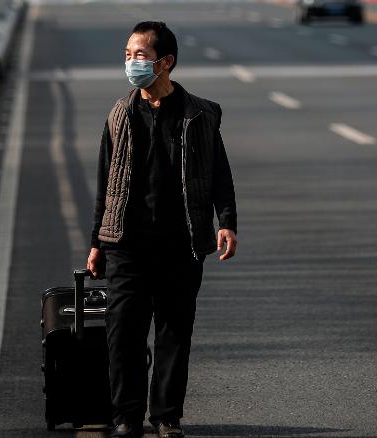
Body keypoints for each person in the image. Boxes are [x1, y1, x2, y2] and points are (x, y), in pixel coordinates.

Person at [86, 21, 238, 438]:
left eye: (141, 56)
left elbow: (219, 173)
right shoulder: (120, 114)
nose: (131, 63)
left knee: (174, 333)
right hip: (127, 245)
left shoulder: (201, 115)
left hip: (182, 244)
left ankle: (166, 417)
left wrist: (227, 222)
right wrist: (96, 243)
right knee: (124, 335)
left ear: (166, 62)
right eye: (128, 55)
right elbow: (105, 185)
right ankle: (126, 416)